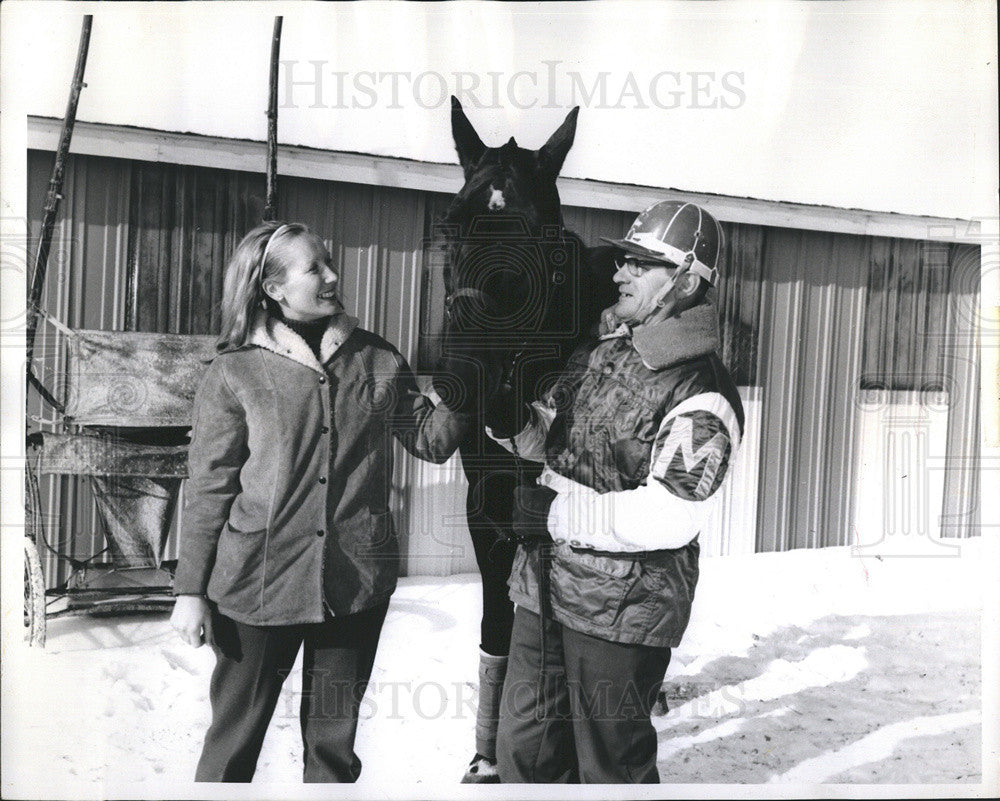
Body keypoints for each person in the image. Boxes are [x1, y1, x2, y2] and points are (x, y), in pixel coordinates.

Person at [170, 221, 470, 783]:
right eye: (315, 268)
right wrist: (191, 590)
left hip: (353, 583)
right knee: (232, 746)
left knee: (332, 754)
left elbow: (432, 440)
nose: (333, 275)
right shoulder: (236, 370)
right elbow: (210, 486)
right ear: (274, 288)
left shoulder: (375, 358)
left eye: (329, 261)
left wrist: (468, 374)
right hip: (257, 585)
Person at [485, 200, 745, 783]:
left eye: (639, 264)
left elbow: (670, 514)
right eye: (624, 259)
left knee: (608, 769)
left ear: (685, 280)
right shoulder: (604, 351)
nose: (619, 273)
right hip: (543, 589)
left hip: (622, 614)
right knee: (523, 753)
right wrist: (514, 424)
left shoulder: (703, 391)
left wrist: (552, 517)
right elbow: (560, 444)